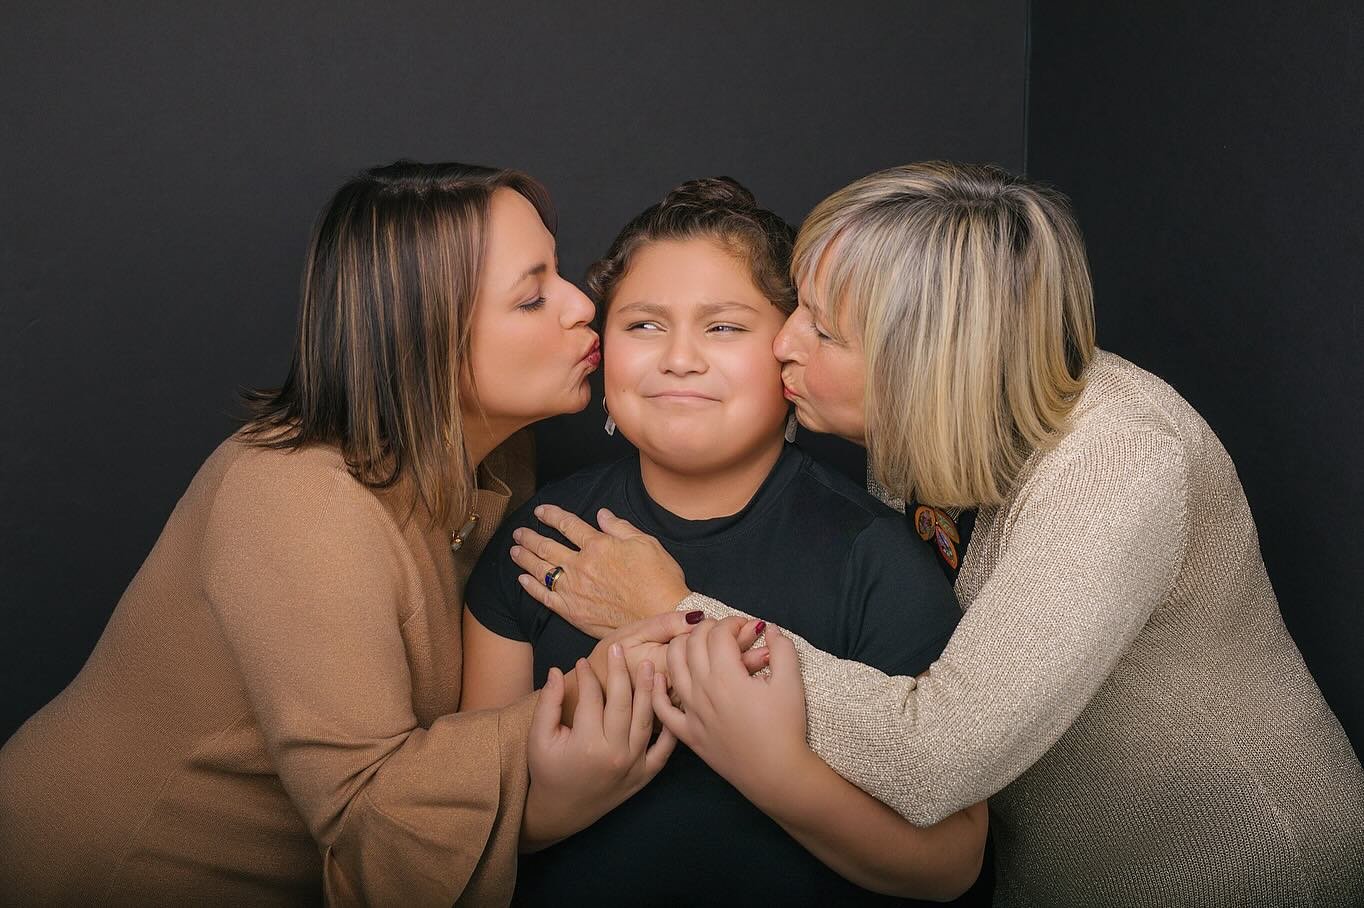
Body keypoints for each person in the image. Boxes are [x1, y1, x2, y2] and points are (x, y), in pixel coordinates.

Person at [506, 163, 1364, 906]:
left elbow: (936, 757)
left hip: (1224, 869)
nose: (784, 344)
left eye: (822, 329)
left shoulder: (1122, 464)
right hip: (1046, 864)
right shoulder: (919, 431)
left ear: (923, 359)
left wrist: (676, 613)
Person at [0, 161, 687, 907]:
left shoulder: (497, 457)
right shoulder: (296, 499)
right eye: (531, 297)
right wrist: (588, 701)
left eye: (556, 274)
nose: (582, 304)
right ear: (423, 338)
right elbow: (368, 807)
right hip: (110, 876)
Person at [461, 177, 988, 905]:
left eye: (724, 327)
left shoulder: (877, 555)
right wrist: (546, 810)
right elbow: (465, 817)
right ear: (603, 349)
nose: (679, 358)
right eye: (643, 325)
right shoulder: (539, 540)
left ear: (790, 349)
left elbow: (953, 863)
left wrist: (773, 771)